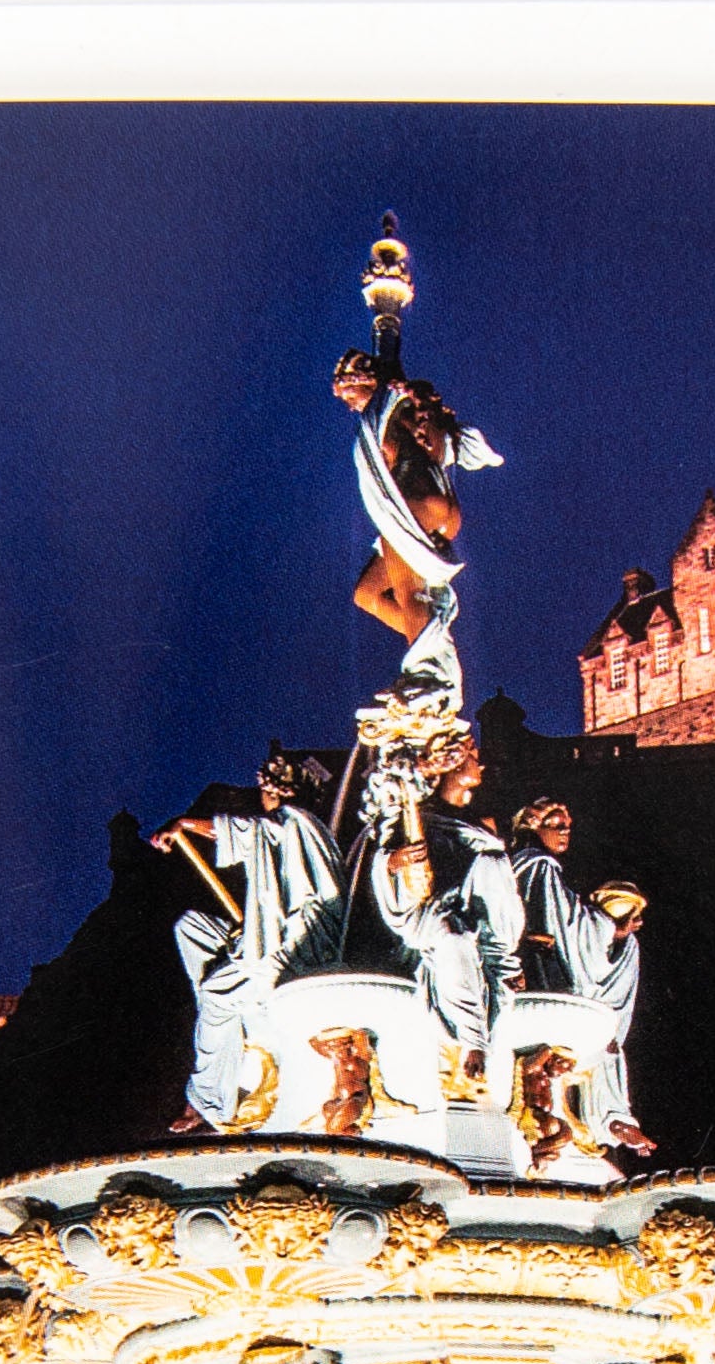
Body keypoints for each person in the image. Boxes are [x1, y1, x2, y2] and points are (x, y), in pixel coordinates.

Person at [155, 746, 344, 1131]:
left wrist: (185, 825)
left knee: (214, 995)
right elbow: (250, 836)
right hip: (274, 936)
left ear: (275, 791)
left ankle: (211, 1103)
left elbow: (249, 831)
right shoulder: (291, 825)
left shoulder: (294, 822)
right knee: (192, 928)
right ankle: (231, 1021)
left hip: (292, 950)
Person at [332, 347, 499, 701]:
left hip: (416, 505)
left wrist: (386, 323)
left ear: (370, 383)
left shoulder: (392, 410)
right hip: (438, 508)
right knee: (366, 594)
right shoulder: (405, 409)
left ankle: (428, 675)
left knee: (409, 592)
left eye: (351, 393)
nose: (350, 404)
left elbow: (391, 362)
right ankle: (429, 652)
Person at [369, 726, 518, 1091]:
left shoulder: (486, 825)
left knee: (493, 866)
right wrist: (394, 862)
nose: (480, 761)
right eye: (471, 755)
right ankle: (473, 1041)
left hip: (480, 914)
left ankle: (500, 964)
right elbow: (377, 857)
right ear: (450, 766)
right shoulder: (419, 815)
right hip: (430, 913)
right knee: (451, 935)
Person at [510, 796, 655, 1156]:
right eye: (556, 825)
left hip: (556, 965)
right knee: (602, 1032)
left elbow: (570, 922)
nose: (565, 833)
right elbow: (567, 926)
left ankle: (612, 1117)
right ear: (532, 826)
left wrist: (613, 933)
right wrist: (609, 927)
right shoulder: (538, 866)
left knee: (608, 1038)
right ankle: (610, 1117)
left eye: (567, 827)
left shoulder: (542, 869)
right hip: (544, 968)